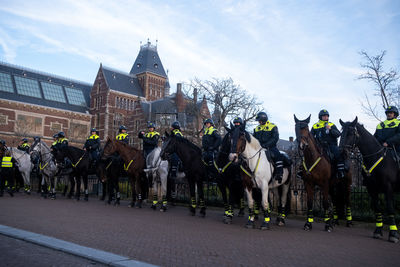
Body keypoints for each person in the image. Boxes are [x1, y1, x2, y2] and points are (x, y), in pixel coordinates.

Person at [311, 109, 344, 178]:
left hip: (331, 145)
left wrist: (331, 129)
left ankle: (340, 171)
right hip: (319, 146)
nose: (326, 117)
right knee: (309, 153)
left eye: (327, 116)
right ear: (320, 117)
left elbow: (338, 134)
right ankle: (302, 170)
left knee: (338, 153)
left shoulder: (331, 124)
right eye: (324, 116)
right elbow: (311, 137)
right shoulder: (315, 126)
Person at [253, 112, 283, 183]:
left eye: (259, 121)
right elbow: (254, 139)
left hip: (271, 147)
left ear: (264, 119)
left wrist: (266, 145)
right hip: (258, 148)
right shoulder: (257, 128)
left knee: (278, 156)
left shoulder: (272, 126)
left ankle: (279, 174)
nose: (259, 122)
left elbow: (275, 138)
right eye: (258, 121)